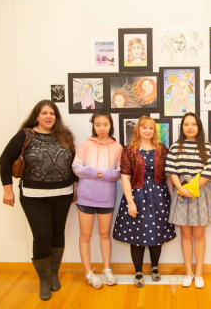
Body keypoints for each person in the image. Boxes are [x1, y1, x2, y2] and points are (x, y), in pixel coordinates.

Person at [0, 100, 78, 300]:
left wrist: (75, 186)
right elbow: (5, 160)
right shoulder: (25, 135)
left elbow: (73, 162)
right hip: (34, 197)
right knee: (42, 235)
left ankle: (53, 273)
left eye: (52, 113)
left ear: (56, 117)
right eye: (44, 113)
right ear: (37, 116)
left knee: (58, 232)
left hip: (63, 193)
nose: (48, 116)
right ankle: (43, 279)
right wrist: (8, 190)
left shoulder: (64, 136)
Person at [113, 116, 176, 288]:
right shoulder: (128, 150)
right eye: (144, 128)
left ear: (154, 131)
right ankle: (138, 271)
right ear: (138, 129)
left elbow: (168, 177)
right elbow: (125, 179)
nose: (148, 131)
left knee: (158, 234)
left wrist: (172, 199)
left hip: (159, 196)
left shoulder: (163, 149)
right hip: (137, 196)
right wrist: (130, 202)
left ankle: (155, 267)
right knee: (136, 234)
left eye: (151, 128)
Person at [166, 113, 211, 289]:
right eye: (186, 124)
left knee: (199, 235)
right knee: (186, 235)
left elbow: (209, 171)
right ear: (182, 127)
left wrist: (192, 188)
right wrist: (181, 189)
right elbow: (172, 171)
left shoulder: (206, 146)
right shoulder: (175, 147)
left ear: (199, 127)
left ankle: (199, 273)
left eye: (193, 124)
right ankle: (188, 272)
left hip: (200, 192)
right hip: (181, 191)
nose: (190, 127)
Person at [71, 110, 122, 289]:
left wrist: (102, 174)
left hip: (106, 198)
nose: (102, 128)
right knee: (85, 235)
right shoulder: (86, 144)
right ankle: (88, 273)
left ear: (111, 125)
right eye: (98, 125)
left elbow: (119, 172)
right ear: (93, 125)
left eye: (105, 124)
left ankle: (106, 269)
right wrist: (96, 173)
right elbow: (77, 167)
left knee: (104, 235)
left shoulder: (117, 146)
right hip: (86, 198)